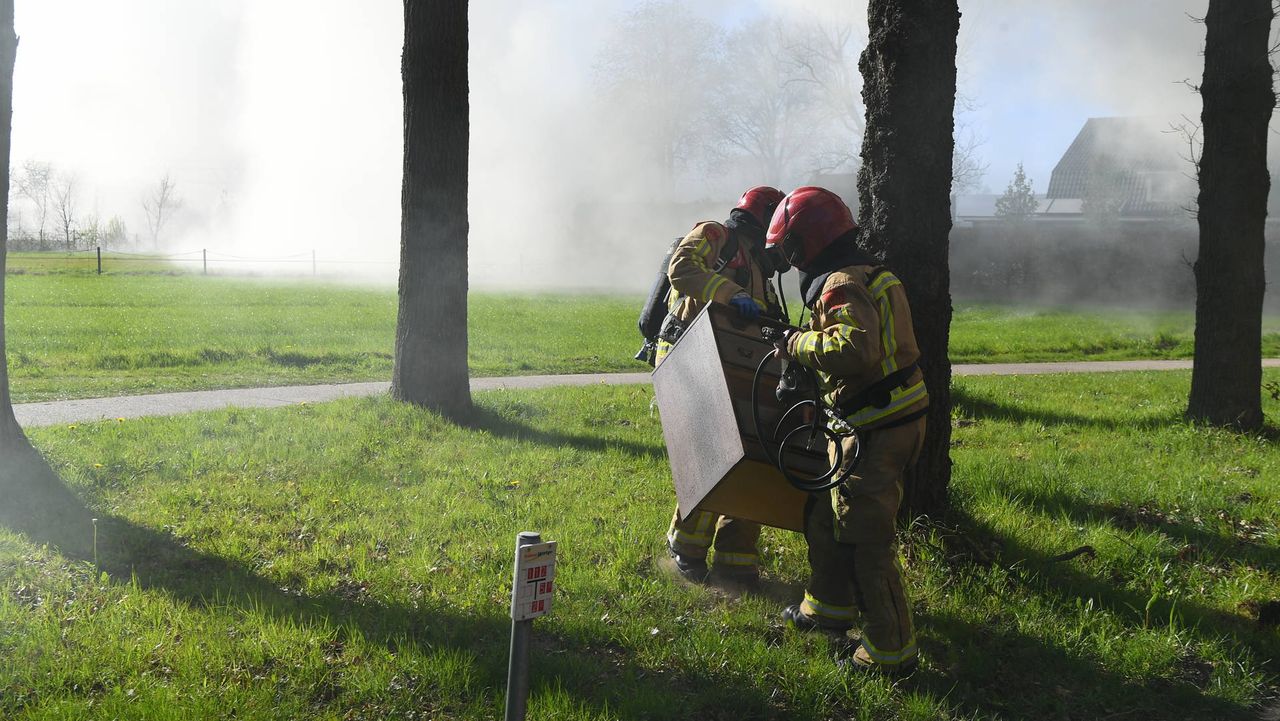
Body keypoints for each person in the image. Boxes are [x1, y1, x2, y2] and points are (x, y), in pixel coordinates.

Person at [764, 186, 928, 674]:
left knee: (864, 540)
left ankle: (889, 652)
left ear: (805, 242)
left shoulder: (840, 283)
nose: (790, 261)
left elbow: (855, 351)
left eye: (790, 248)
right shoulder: (869, 272)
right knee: (824, 514)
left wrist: (796, 343)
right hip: (874, 419)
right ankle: (827, 608)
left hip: (878, 426)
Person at [661, 185, 786, 583]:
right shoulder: (716, 234)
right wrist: (731, 294)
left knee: (750, 453)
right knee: (710, 453)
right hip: (694, 358)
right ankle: (686, 547)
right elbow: (681, 269)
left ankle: (736, 557)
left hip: (737, 364)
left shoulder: (759, 266)